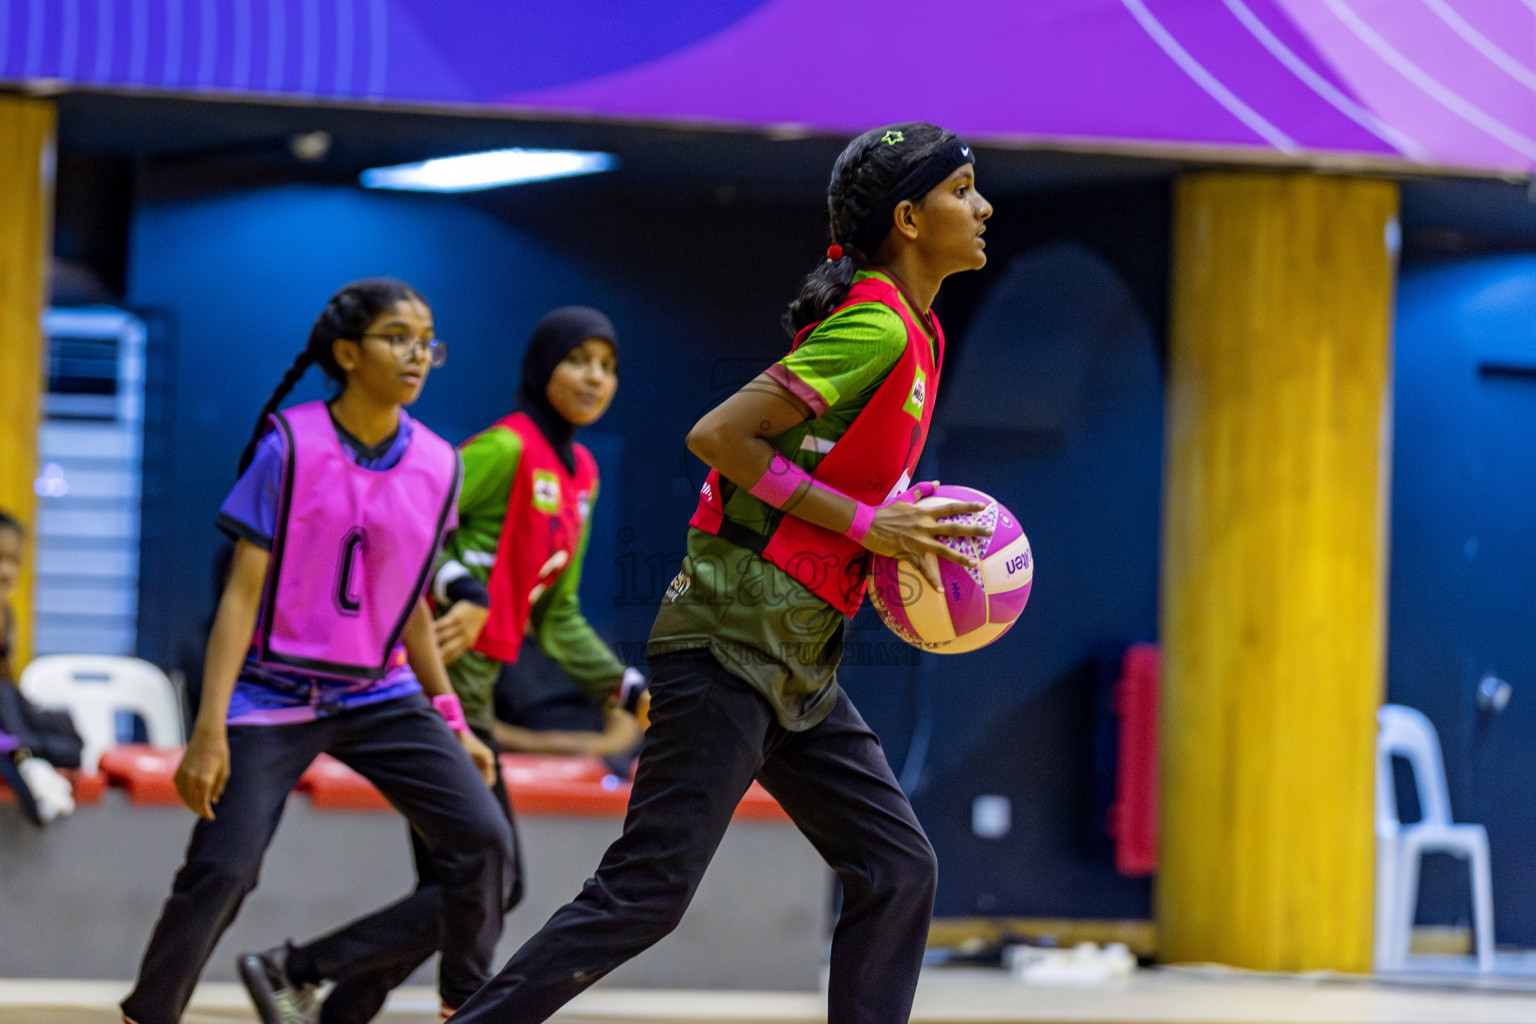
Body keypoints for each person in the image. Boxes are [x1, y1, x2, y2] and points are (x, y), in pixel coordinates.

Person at [449, 122, 994, 1024]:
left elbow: (834, 471)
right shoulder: (873, 327)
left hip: (800, 653)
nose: (982, 206)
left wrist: (893, 528)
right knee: (648, 892)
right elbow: (719, 437)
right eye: (962, 190)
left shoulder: (919, 333)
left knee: (897, 867)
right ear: (907, 217)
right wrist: (869, 523)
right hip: (733, 637)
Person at [119, 278, 514, 1024]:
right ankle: (151, 1013)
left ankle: (463, 1005)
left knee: (484, 842)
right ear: (346, 352)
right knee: (223, 868)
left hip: (380, 694)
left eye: (428, 340)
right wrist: (206, 731)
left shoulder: (439, 464)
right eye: (398, 337)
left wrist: (452, 720)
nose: (418, 354)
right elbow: (238, 597)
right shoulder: (289, 444)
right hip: (269, 694)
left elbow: (413, 608)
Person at [269, 306, 645, 1024]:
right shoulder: (505, 449)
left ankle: (337, 1002)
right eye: (579, 360)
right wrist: (456, 587)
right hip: (428, 685)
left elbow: (555, 611)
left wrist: (621, 685)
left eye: (608, 365)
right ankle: (312, 974)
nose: (595, 377)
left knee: (463, 879)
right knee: (489, 878)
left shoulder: (583, 473)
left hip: (478, 690)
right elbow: (397, 524)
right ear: (541, 370)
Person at [0, 511, 82, 825]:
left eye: (14, 561)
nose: (7, 571)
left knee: (67, 734)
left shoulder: (7, 615)